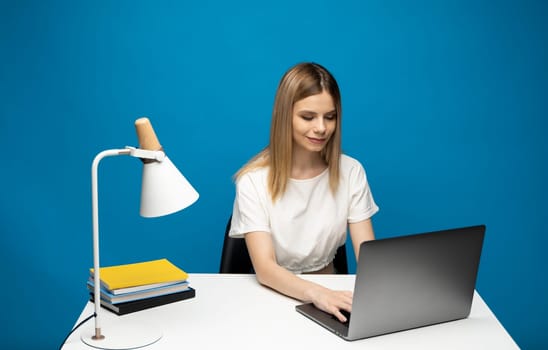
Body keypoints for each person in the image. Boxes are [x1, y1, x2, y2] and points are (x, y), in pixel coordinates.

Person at [229, 62, 379, 322]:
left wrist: (390, 292)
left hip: (333, 298)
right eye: (308, 117)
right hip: (270, 298)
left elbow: (370, 255)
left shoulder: (351, 171)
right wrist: (317, 294)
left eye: (329, 117)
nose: (321, 128)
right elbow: (265, 269)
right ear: (285, 116)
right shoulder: (252, 180)